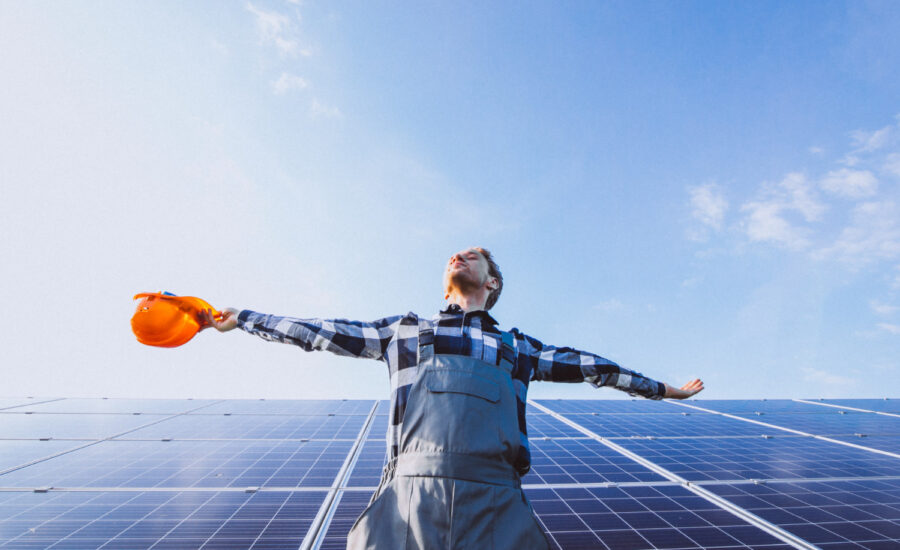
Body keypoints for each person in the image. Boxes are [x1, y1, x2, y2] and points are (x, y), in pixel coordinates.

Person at [204, 247, 704, 549]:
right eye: (453, 256)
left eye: (471, 254)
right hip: (404, 503)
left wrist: (664, 390)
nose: (456, 256)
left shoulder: (519, 349)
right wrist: (242, 318)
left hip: (498, 506)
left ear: (492, 282)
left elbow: (595, 368)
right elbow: (319, 331)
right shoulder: (402, 333)